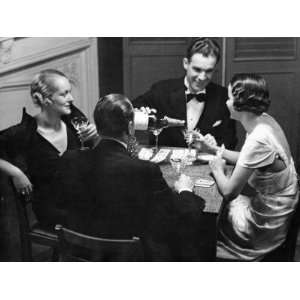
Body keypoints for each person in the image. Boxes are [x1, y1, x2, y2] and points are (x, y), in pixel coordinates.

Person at [59, 94, 208, 261]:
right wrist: (185, 190)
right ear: (131, 126)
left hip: (82, 251)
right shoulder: (146, 170)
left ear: (97, 125)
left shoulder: (69, 159)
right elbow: (171, 219)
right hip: (131, 257)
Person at [192, 73, 299, 261]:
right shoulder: (264, 121)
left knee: (206, 223)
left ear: (240, 103)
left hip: (267, 220)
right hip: (280, 204)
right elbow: (248, 159)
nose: (226, 103)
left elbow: (229, 192)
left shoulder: (258, 138)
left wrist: (217, 168)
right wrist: (213, 148)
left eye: (230, 98)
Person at [0, 69, 98, 229]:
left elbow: (89, 156)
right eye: (64, 94)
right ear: (45, 99)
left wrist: (94, 135)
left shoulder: (74, 121)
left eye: (70, 92)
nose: (71, 98)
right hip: (52, 208)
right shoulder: (25, 133)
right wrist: (16, 172)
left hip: (80, 198)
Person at [133, 37, 237, 149]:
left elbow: (230, 142)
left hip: (205, 165)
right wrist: (141, 113)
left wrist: (214, 145)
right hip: (166, 164)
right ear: (186, 63)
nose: (202, 77)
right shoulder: (162, 90)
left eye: (208, 71)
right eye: (197, 69)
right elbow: (129, 112)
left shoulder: (224, 97)